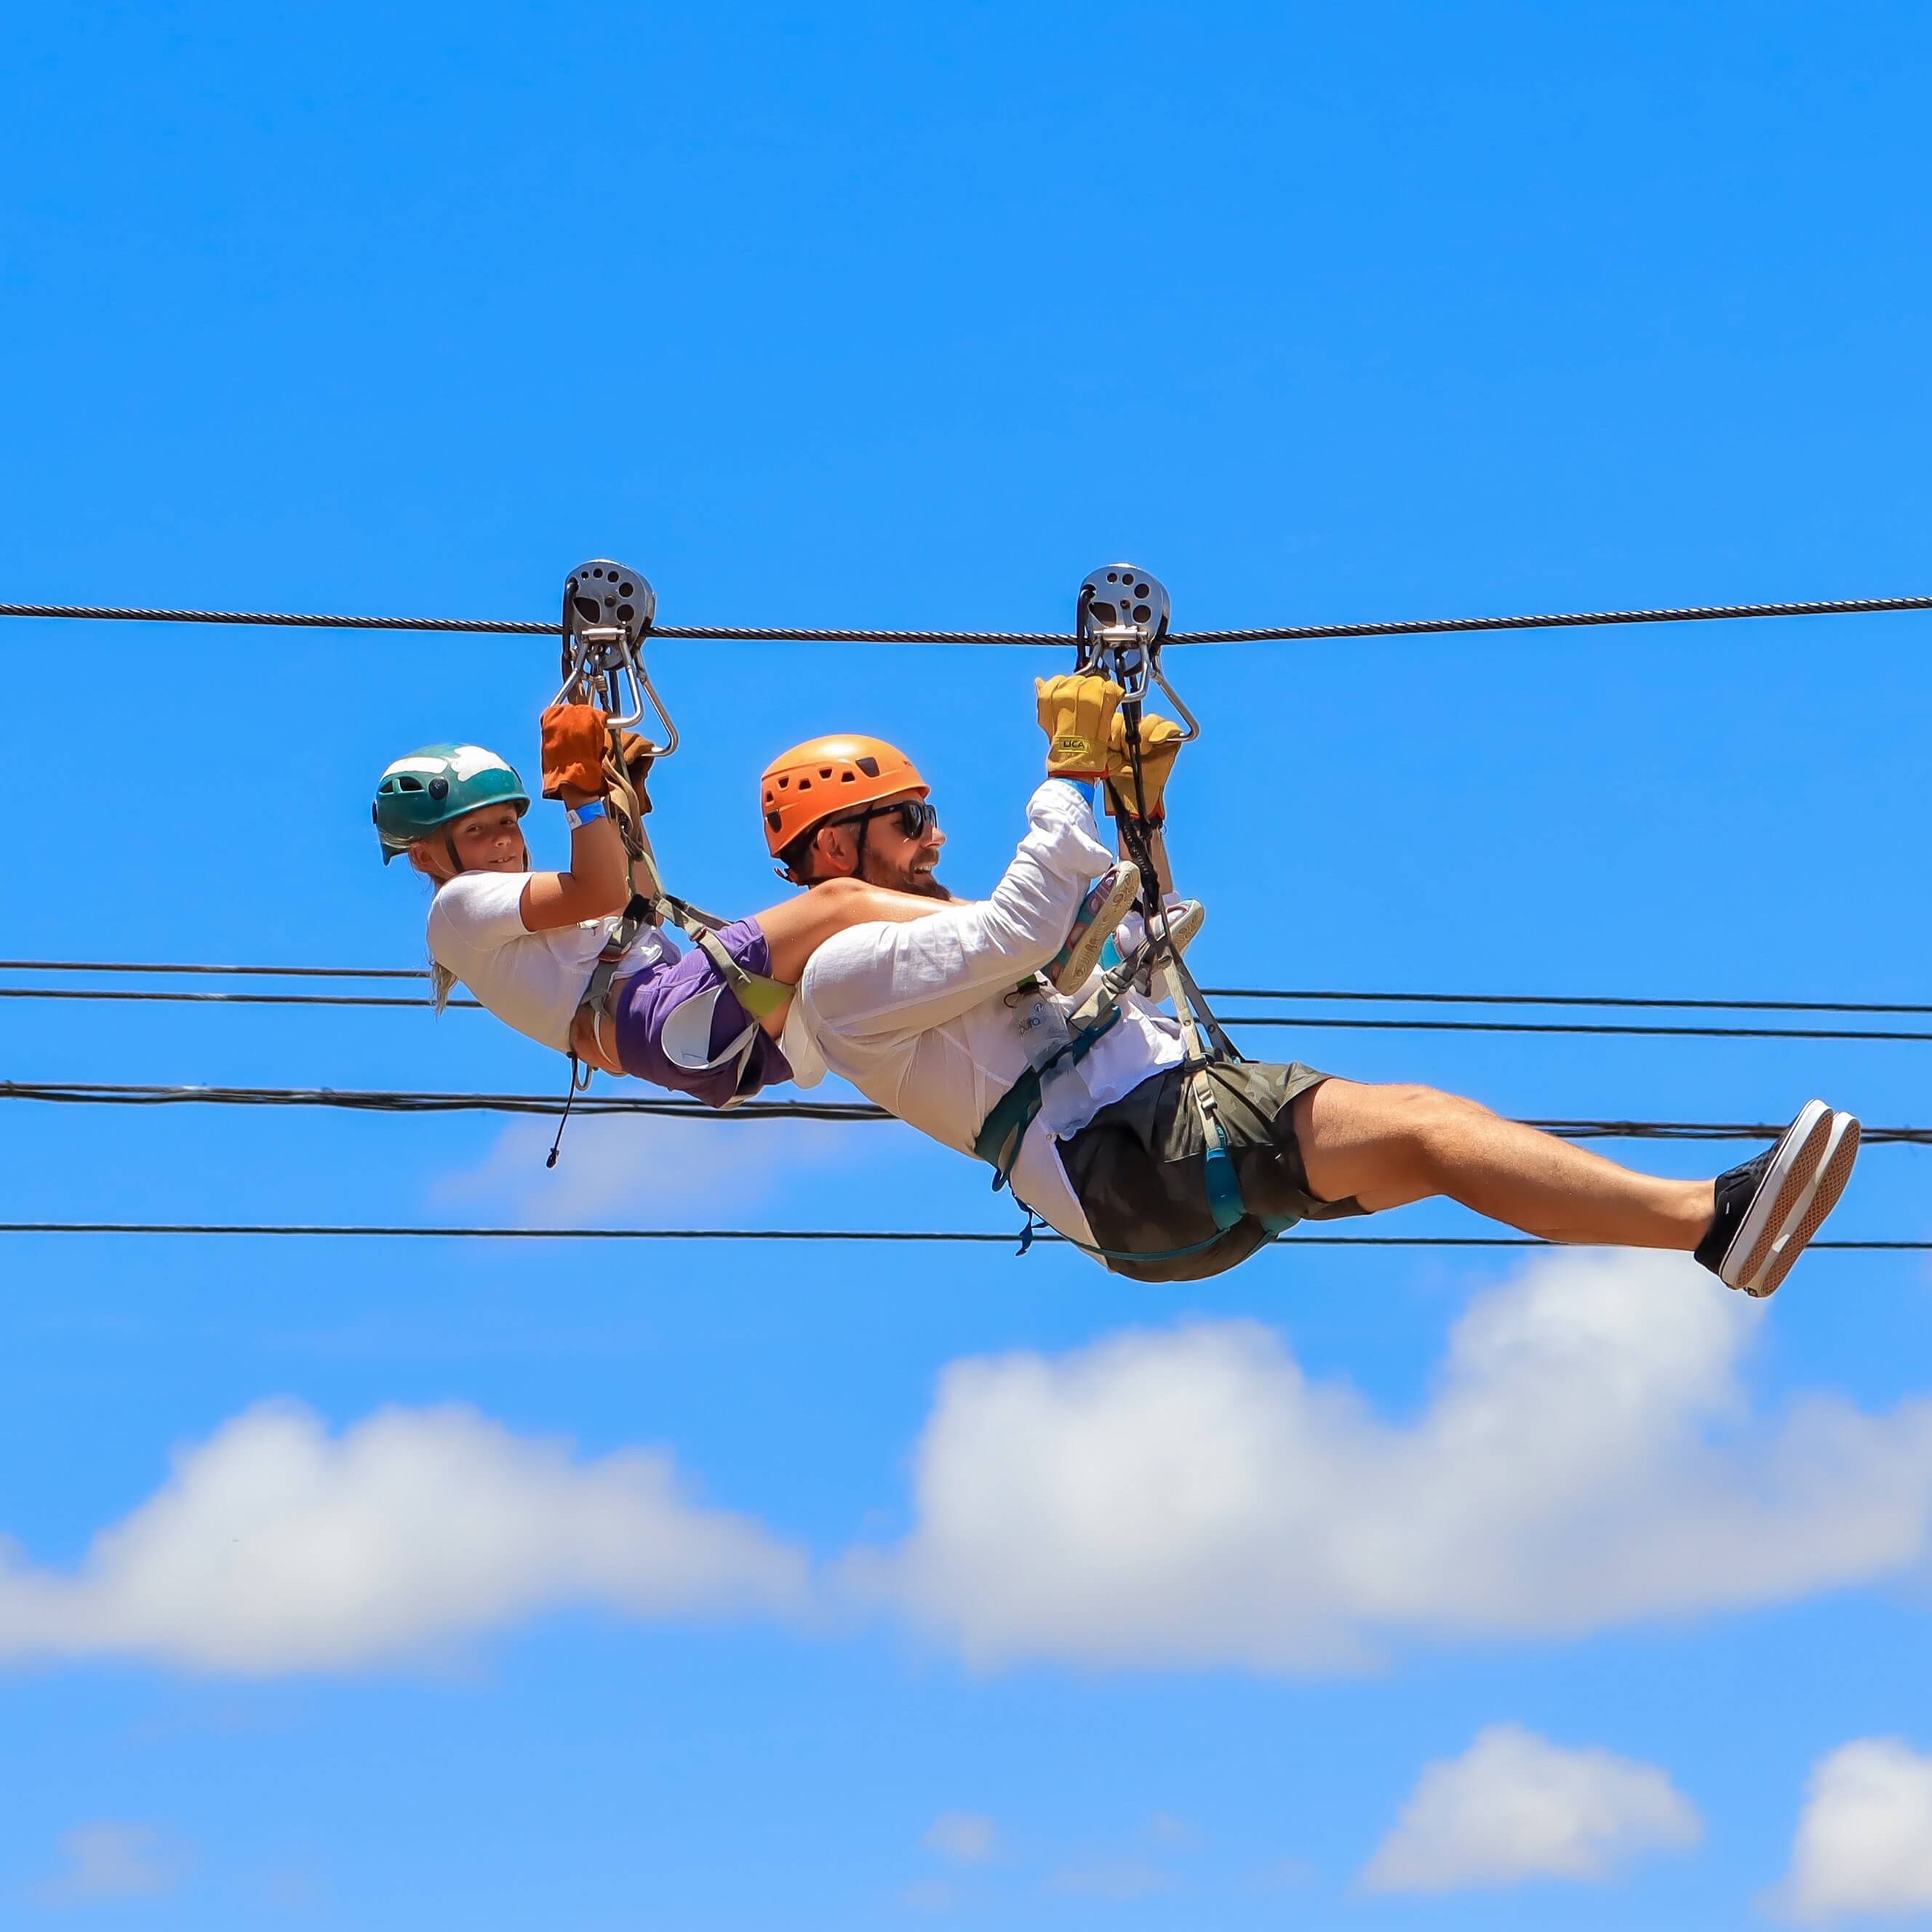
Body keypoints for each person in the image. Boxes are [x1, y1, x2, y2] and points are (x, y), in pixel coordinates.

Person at [761, 674, 1861, 1292]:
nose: (932, 836)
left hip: (1144, 1166)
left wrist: (1137, 810)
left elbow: (1121, 940)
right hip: (1130, 1153)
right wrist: (1066, 778)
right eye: (906, 821)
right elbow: (1020, 926)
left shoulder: (920, 950)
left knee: (1436, 1137)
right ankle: (1712, 1224)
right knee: (1429, 1129)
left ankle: (1712, 1227)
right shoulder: (847, 979)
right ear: (831, 850)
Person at [373, 705, 1136, 1109]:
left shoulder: (501, 907)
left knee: (889, 963)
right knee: (838, 903)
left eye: (508, 824)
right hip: (658, 1019)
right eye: (479, 832)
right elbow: (600, 892)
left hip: (692, 1037)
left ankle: (1059, 953)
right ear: (425, 858)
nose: (505, 843)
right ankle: (1032, 928)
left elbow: (634, 906)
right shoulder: (459, 908)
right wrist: (579, 795)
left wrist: (621, 806)